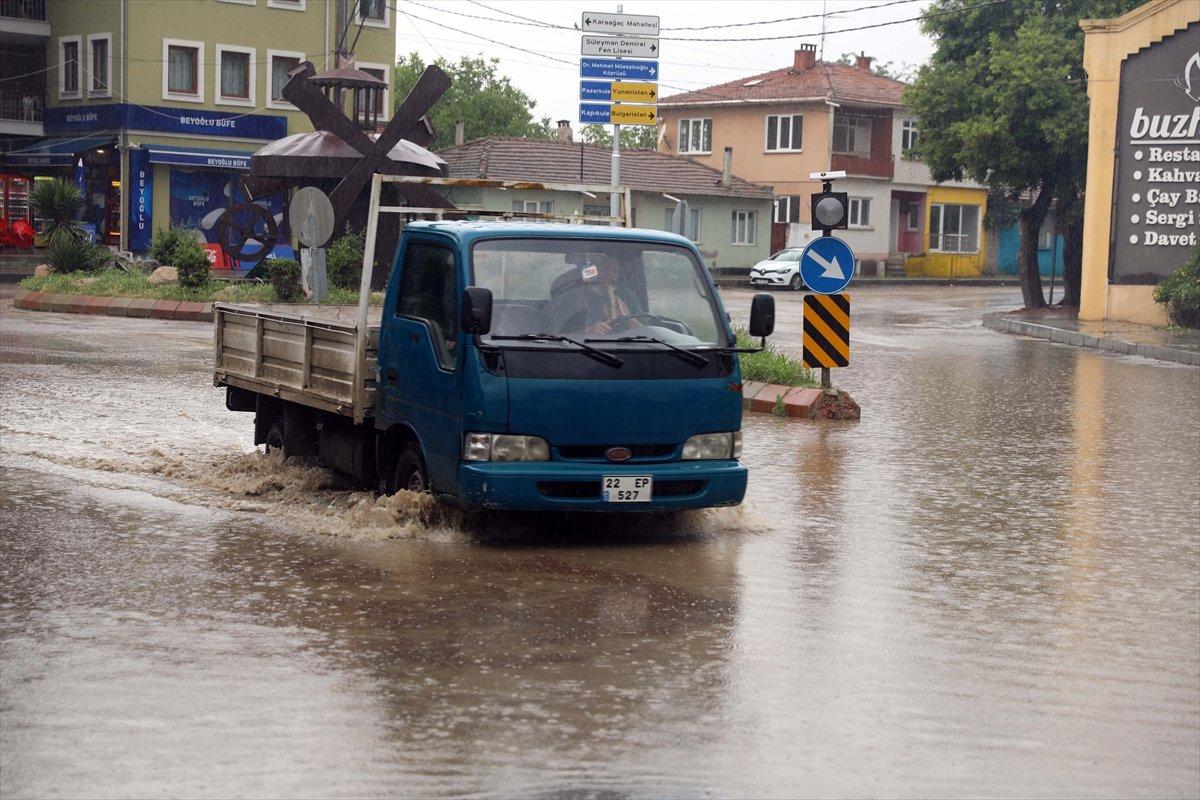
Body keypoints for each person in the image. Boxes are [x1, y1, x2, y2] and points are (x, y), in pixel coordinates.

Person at [542, 256, 643, 336]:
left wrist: (629, 319)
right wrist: (587, 332)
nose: (612, 268)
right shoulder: (572, 296)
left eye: (615, 264)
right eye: (606, 264)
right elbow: (551, 337)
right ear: (592, 268)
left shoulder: (627, 296)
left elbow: (648, 334)